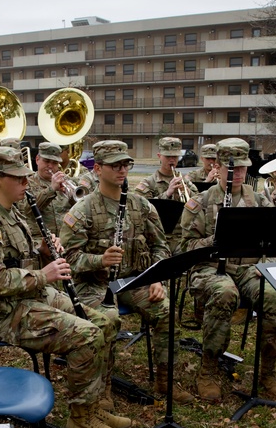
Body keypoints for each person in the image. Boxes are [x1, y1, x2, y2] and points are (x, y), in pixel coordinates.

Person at [0, 147, 126, 428]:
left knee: (107, 322)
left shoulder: (10, 212)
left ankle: (95, 403)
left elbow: (20, 255)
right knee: (86, 335)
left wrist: (44, 248)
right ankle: (81, 419)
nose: (26, 183)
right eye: (18, 178)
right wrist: (44, 274)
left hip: (24, 297)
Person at [60, 140, 194, 405]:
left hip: (133, 280)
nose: (122, 171)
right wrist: (100, 260)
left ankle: (166, 379)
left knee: (165, 311)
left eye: (126, 164)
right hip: (94, 284)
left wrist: (157, 277)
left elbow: (160, 247)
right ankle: (102, 386)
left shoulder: (141, 205)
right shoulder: (82, 209)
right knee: (107, 319)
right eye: (115, 165)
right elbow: (67, 259)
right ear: (97, 169)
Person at [178, 137, 276, 403]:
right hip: (210, 266)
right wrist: (214, 240)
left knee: (273, 297)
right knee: (224, 292)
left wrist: (269, 267)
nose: (238, 174)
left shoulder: (259, 201)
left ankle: (268, 372)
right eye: (232, 168)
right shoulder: (201, 201)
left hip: (249, 267)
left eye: (242, 168)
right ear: (217, 166)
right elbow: (184, 246)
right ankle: (208, 369)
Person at [15, 142, 69, 237]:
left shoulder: (65, 182)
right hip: (40, 241)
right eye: (47, 161)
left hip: (65, 240)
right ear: (37, 160)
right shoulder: (26, 183)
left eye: (54, 163)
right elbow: (27, 210)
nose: (50, 166)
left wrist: (72, 195)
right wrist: (51, 189)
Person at [132, 136, 198, 201]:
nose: (172, 160)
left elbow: (200, 201)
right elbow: (142, 205)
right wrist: (167, 194)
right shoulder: (149, 182)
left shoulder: (184, 181)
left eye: (175, 156)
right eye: (168, 156)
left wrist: (188, 192)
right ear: (159, 156)